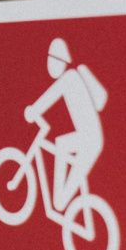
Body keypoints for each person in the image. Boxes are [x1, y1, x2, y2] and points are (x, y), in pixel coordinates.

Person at [24, 37, 107, 214]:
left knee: (59, 202)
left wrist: (34, 110)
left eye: (52, 59)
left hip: (90, 140)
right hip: (88, 137)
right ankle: (61, 199)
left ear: (60, 61)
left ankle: (61, 201)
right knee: (62, 143)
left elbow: (50, 96)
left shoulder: (70, 78)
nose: (49, 64)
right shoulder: (72, 78)